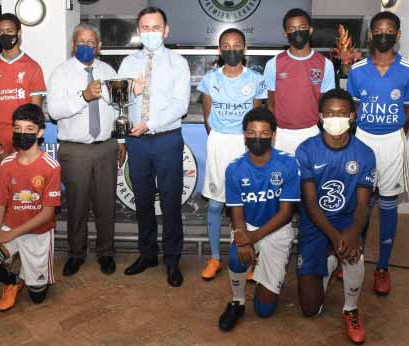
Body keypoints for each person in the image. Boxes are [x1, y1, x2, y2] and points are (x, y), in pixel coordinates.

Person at [347, 11, 409, 296]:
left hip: (391, 141)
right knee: (362, 203)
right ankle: (354, 259)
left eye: (389, 31)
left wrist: (397, 137)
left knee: (389, 203)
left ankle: (383, 268)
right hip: (363, 139)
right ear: (370, 35)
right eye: (377, 30)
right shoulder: (356, 71)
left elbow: (408, 110)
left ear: (398, 35)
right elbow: (352, 110)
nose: (383, 35)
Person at [117, 6, 191, 287]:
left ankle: (172, 260)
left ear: (166, 30)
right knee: (143, 201)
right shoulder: (127, 62)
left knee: (171, 202)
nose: (150, 33)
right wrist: (129, 93)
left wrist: (151, 123)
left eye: (156, 27)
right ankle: (147, 254)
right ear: (139, 31)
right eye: (145, 28)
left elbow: (180, 105)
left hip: (167, 139)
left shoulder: (178, 63)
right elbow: (118, 102)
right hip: (137, 142)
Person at [295, 89, 376, 344]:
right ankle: (330, 259)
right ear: (320, 117)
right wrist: (334, 237)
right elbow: (309, 202)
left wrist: (352, 234)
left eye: (342, 113)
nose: (336, 118)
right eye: (329, 113)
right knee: (310, 310)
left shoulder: (365, 153)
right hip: (315, 222)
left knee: (353, 251)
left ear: (353, 116)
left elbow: (363, 204)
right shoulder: (306, 150)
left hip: (347, 220)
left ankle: (350, 308)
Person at [47, 23, 124, 276]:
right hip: (75, 149)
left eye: (91, 43)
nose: (86, 47)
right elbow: (54, 111)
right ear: (73, 45)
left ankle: (106, 253)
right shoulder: (61, 73)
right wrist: (84, 96)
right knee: (77, 206)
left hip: (106, 147)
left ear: (99, 47)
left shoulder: (108, 70)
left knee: (105, 206)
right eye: (81, 42)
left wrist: (121, 141)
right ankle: (76, 253)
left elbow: (118, 107)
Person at [217, 108, 300, 331]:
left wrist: (253, 238)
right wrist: (243, 238)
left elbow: (285, 214)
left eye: (264, 133)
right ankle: (238, 301)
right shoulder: (234, 168)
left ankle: (267, 275)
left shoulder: (288, 165)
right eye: (252, 132)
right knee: (236, 257)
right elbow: (236, 211)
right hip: (249, 226)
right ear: (244, 135)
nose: (257, 138)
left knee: (264, 311)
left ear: (273, 135)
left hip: (276, 229)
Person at [0, 104, 60, 311]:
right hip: (9, 229)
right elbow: (0, 204)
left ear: (40, 132)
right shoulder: (6, 164)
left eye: (29, 129)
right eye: (17, 128)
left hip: (37, 232)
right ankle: (13, 281)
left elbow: (48, 213)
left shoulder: (51, 167)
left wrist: (9, 234)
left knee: (37, 297)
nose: (22, 133)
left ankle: (29, 276)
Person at [197, 28, 266, 281]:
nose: (231, 49)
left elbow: (257, 118)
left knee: (247, 205)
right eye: (225, 45)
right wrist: (218, 140)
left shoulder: (256, 80)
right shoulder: (210, 79)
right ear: (219, 50)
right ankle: (215, 257)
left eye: (236, 45)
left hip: (245, 145)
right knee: (216, 204)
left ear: (245, 49)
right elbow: (207, 119)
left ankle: (250, 260)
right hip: (219, 144)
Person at [0, 13, 46, 176]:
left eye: (9, 30)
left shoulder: (33, 67)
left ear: (19, 33)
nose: (4, 35)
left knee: (28, 190)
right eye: (0, 31)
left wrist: (28, 145)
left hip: (26, 139)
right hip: (0, 141)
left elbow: (35, 113)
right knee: (4, 191)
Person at [264, 8, 335, 155]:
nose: (297, 32)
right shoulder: (273, 63)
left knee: (309, 177)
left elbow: (326, 104)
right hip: (281, 134)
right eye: (292, 29)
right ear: (286, 33)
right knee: (282, 177)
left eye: (302, 28)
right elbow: (270, 104)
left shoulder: (325, 64)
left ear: (310, 30)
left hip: (311, 132)